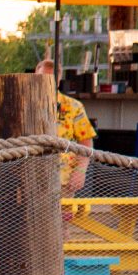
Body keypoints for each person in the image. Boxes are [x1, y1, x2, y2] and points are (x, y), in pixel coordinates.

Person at [35, 58, 97, 195]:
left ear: (58, 81)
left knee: (64, 210)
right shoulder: (24, 104)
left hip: (62, 180)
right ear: (35, 77)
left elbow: (86, 142)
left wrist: (80, 171)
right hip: (29, 180)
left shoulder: (73, 106)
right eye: (42, 78)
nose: (46, 82)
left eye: (51, 79)